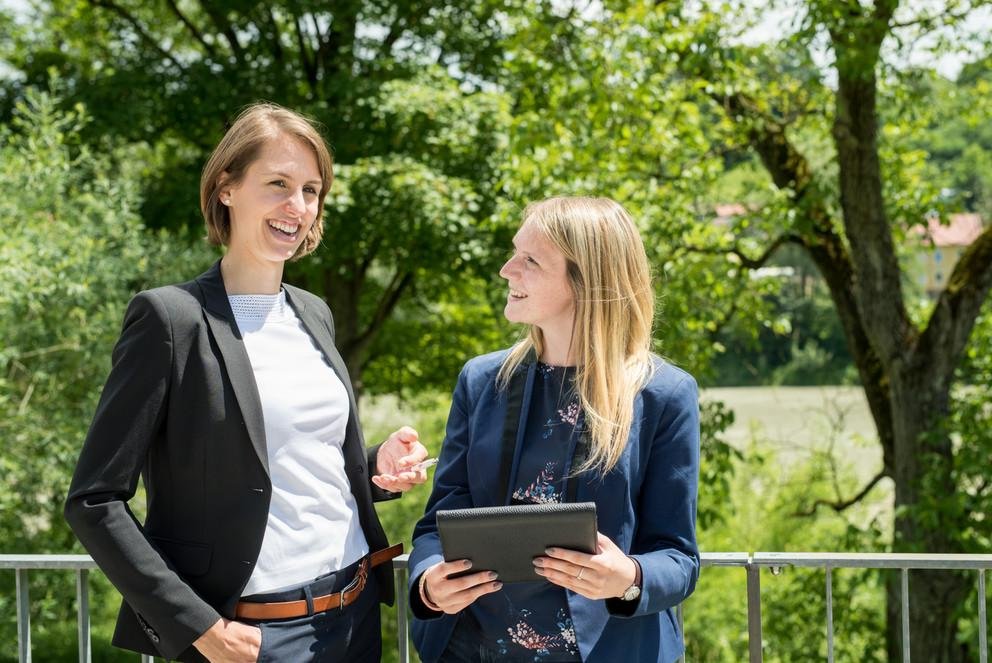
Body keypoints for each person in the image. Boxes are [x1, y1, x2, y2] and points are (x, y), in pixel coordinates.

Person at [64, 102, 429, 663]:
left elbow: (289, 462)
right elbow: (94, 501)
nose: (297, 206)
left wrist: (374, 467)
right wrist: (200, 629)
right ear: (227, 187)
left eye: (311, 190)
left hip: (354, 620)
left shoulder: (314, 312)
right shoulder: (170, 318)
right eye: (278, 184)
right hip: (250, 639)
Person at [406, 196, 700, 662]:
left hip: (608, 651)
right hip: (471, 651)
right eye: (513, 252)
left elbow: (678, 558)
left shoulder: (664, 394)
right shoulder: (480, 380)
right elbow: (437, 524)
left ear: (586, 281)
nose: (507, 270)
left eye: (530, 260)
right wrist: (427, 584)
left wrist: (629, 576)